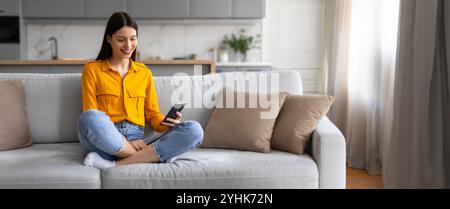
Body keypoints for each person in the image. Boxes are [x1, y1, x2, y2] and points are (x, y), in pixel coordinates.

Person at [77, 12, 203, 170]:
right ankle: (152, 156)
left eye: (133, 38)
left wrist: (167, 124)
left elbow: (152, 115)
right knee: (89, 117)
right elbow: (90, 111)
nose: (128, 45)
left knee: (194, 130)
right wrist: (128, 144)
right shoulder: (92, 70)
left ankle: (114, 165)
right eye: (121, 40)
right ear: (109, 39)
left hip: (139, 139)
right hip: (105, 142)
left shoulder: (144, 73)